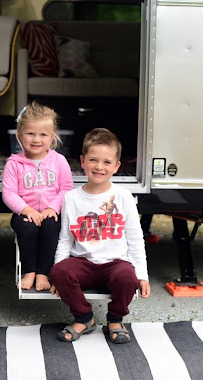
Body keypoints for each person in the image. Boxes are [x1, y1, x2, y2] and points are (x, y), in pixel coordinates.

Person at [49, 128, 151, 344]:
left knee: (128, 276)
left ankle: (115, 319)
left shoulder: (123, 197)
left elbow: (135, 239)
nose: (99, 167)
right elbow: (65, 239)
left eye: (107, 162)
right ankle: (84, 317)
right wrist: (57, 273)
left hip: (115, 264)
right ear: (83, 161)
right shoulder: (71, 198)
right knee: (59, 272)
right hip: (83, 263)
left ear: (117, 166)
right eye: (93, 160)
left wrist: (142, 275)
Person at [2, 101, 74, 291]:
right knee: (27, 229)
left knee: (51, 227)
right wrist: (26, 209)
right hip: (25, 213)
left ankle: (43, 272)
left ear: (52, 137)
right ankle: (30, 271)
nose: (36, 139)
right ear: (20, 134)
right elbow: (9, 193)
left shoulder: (59, 161)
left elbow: (66, 188)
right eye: (30, 134)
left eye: (43, 135)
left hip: (51, 212)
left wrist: (53, 208)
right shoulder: (14, 163)